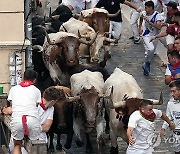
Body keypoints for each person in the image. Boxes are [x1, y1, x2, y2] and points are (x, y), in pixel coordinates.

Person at [2, 86, 66, 153]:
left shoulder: (51, 109)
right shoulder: (32, 103)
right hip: (22, 136)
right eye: (55, 102)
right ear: (53, 101)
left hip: (39, 140)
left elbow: (47, 127)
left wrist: (31, 128)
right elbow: (11, 110)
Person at [7, 69, 42, 154]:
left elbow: (12, 105)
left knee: (17, 145)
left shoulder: (13, 89)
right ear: (35, 80)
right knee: (34, 146)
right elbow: (36, 106)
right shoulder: (37, 90)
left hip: (17, 119)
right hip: (32, 119)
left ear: (23, 77)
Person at [139, 1, 162, 76]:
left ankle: (146, 64)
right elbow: (141, 18)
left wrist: (150, 22)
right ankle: (148, 63)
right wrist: (140, 27)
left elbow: (159, 26)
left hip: (155, 36)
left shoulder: (157, 16)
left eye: (146, 8)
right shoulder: (143, 13)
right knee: (151, 49)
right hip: (146, 35)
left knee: (151, 52)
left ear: (151, 8)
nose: (145, 9)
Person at [160, 80, 180, 154]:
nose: (172, 94)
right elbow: (168, 116)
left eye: (174, 91)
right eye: (171, 92)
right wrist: (163, 128)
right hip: (176, 135)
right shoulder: (171, 103)